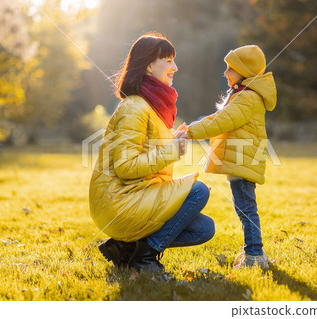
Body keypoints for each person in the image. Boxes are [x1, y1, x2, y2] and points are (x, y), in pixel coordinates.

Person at [89, 33, 215, 273]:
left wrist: (172, 143)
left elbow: (150, 156)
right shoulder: (134, 108)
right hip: (118, 202)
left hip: (138, 195)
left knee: (204, 228)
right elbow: (126, 168)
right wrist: (170, 152)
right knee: (197, 191)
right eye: (168, 60)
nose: (175, 67)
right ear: (148, 65)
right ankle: (144, 259)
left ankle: (124, 249)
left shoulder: (151, 108)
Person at [185, 45, 277, 271]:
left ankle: (255, 255)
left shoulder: (247, 98)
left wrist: (190, 132)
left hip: (242, 162)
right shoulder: (242, 95)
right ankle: (254, 252)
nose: (225, 72)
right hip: (240, 161)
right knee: (245, 208)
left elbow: (220, 122)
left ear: (244, 71)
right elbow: (219, 117)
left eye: (230, 68)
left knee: (246, 209)